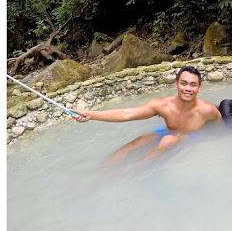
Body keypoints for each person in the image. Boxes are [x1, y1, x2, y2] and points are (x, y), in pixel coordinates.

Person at [73, 66, 222, 161]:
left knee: (167, 141)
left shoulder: (207, 110)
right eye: (184, 83)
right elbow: (127, 114)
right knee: (136, 142)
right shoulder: (162, 105)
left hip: (190, 136)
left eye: (193, 85)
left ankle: (137, 171)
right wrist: (91, 114)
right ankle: (101, 172)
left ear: (199, 88)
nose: (188, 88)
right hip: (168, 131)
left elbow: (220, 129)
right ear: (176, 84)